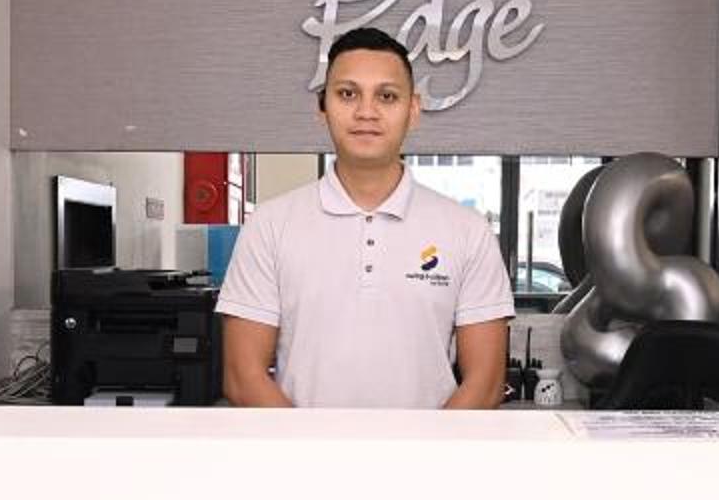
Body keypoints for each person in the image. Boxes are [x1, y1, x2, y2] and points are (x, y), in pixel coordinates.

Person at [218, 28, 513, 408]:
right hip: (301, 447)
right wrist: (309, 446)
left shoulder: (468, 230)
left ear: (413, 109)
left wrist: (426, 447)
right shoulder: (269, 226)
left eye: (387, 96)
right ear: (322, 107)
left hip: (428, 448)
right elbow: (243, 378)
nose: (366, 112)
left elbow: (486, 383)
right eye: (347, 94)